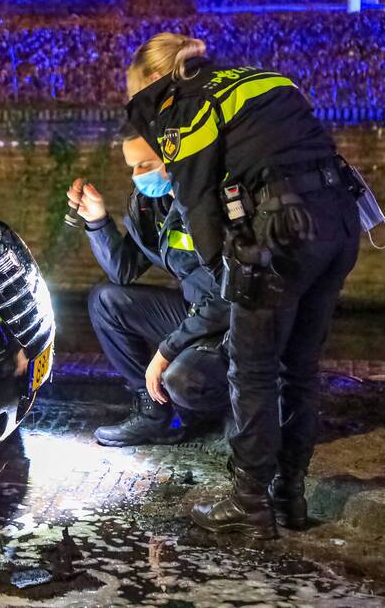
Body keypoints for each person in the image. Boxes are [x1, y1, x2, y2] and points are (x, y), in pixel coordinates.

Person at [125, 32, 360, 539]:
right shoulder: (258, 78)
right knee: (299, 369)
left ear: (151, 81)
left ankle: (249, 504)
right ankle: (289, 498)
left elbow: (196, 200)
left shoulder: (183, 103)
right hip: (339, 224)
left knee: (252, 370)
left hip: (280, 235)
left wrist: (226, 276)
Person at [68, 126, 230, 448]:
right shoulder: (151, 204)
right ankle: (154, 413)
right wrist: (98, 221)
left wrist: (166, 351)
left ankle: (233, 407)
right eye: (132, 167)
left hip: (232, 322)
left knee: (182, 378)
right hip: (195, 310)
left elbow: (229, 297)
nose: (137, 175)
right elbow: (123, 270)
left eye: (144, 164)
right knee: (106, 301)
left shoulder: (213, 202)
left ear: (173, 157)